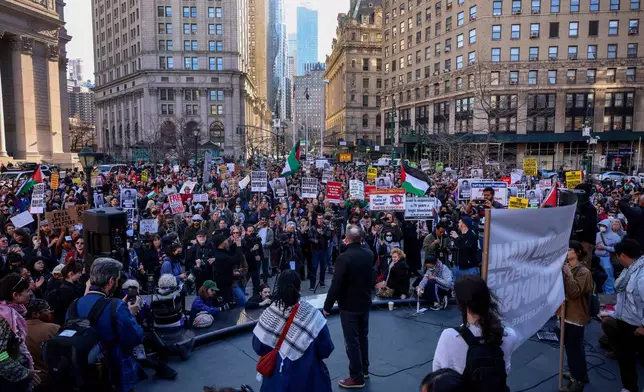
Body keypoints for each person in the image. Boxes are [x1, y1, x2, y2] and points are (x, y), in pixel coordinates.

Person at [69, 257, 145, 392]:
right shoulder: (116, 307)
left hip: (83, 373)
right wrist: (130, 314)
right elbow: (136, 337)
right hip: (115, 372)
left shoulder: (74, 305)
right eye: (118, 280)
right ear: (111, 281)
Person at [252, 270, 334, 392]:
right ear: (299, 288)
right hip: (309, 380)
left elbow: (258, 347)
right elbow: (325, 349)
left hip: (276, 381)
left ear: (278, 288)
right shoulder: (313, 316)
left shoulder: (269, 314)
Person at [433, 275, 518, 391]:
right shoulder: (509, 335)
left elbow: (438, 376)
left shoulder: (449, 336)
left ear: (460, 305)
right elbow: (505, 370)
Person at [323, 225, 374, 389]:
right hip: (364, 303)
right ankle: (365, 369)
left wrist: (327, 307)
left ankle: (356, 377)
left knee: (352, 342)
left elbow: (336, 284)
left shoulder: (344, 258)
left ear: (347, 239)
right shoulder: (369, 253)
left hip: (349, 306)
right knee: (363, 337)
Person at [559, 241, 593, 392]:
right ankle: (579, 373)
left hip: (575, 315)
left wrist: (567, 274)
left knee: (574, 349)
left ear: (577, 252)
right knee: (573, 347)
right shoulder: (569, 268)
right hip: (565, 313)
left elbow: (574, 292)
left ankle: (577, 380)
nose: (567, 251)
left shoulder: (583, 272)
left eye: (570, 248)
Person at [612, 239, 644, 392]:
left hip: (637, 325)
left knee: (631, 358)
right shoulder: (629, 270)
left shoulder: (642, 275)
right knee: (625, 358)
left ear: (623, 255)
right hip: (625, 321)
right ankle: (630, 388)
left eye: (617, 257)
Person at [0, 273, 38, 391]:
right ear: (15, 295)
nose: (30, 293)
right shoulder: (5, 319)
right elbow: (1, 355)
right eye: (27, 290)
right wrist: (24, 372)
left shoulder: (12, 313)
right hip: (9, 383)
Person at [25, 299, 59, 389]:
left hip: (26, 378)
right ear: (35, 314)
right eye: (47, 310)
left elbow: (3, 356)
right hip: (49, 378)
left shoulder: (16, 329)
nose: (50, 312)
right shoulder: (54, 328)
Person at [52, 262, 84, 326]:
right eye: (79, 273)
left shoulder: (77, 285)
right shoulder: (64, 290)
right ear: (70, 274)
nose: (81, 275)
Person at [595, 218, 621, 294]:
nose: (602, 227)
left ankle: (610, 294)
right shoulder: (597, 234)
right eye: (601, 225)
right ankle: (602, 293)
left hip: (607, 259)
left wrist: (605, 247)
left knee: (608, 277)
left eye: (604, 225)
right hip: (597, 259)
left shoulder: (615, 236)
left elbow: (617, 249)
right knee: (600, 277)